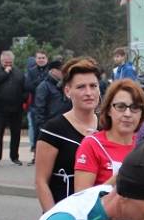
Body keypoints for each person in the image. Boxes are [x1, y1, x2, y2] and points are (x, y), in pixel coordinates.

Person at [36, 59, 102, 211]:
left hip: (99, 218)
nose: (88, 93)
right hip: (66, 215)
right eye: (81, 87)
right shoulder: (53, 130)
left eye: (93, 86)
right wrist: (53, 219)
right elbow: (41, 181)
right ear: (67, 91)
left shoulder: (107, 127)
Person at [73, 79, 144, 191]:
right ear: (108, 110)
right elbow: (82, 200)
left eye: (135, 108)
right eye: (121, 107)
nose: (127, 114)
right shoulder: (92, 145)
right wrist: (122, 175)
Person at [0, 50, 29, 167]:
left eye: (10, 63)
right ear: (1, 61)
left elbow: (24, 88)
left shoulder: (19, 73)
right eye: (5, 63)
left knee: (16, 134)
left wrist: (23, 99)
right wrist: (5, 73)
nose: (8, 65)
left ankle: (14, 156)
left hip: (16, 108)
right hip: (0, 108)